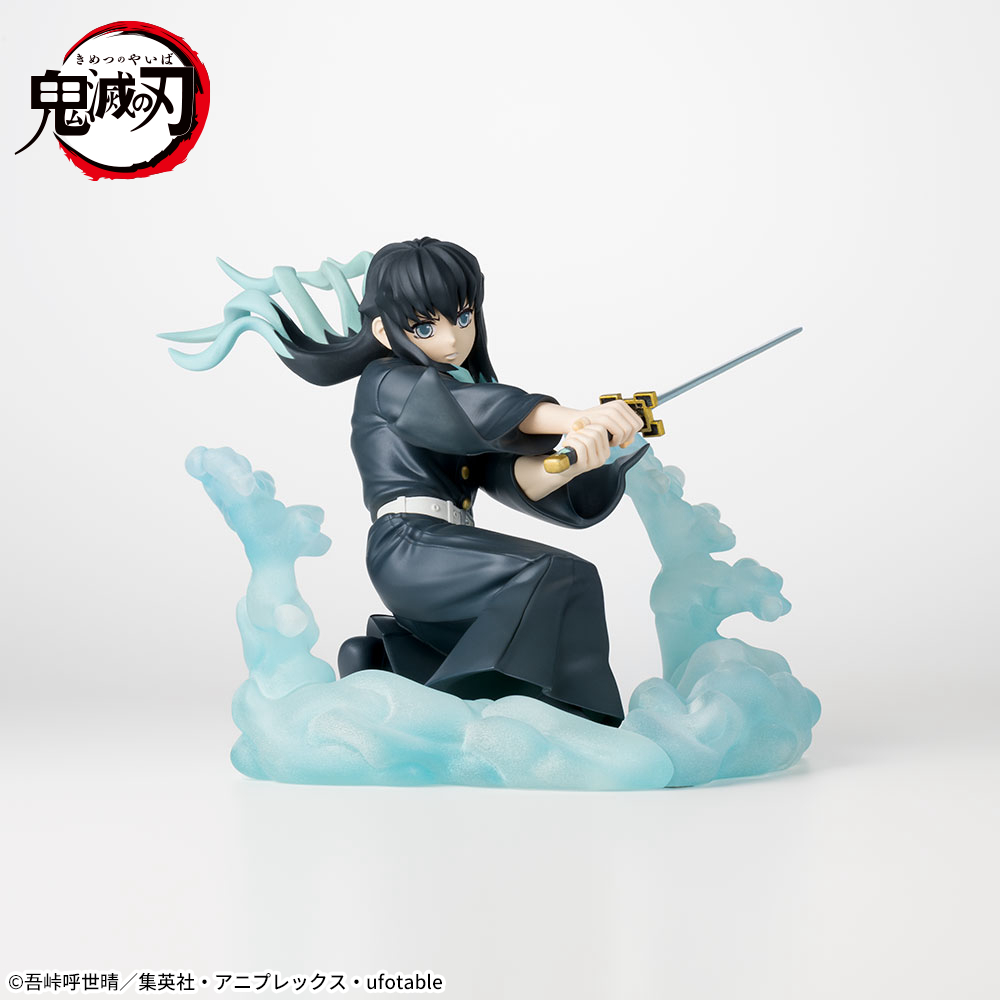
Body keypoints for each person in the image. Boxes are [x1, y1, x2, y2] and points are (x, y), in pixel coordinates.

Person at [166, 238, 646, 725]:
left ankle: (391, 666)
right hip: (410, 546)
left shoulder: (459, 395)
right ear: (383, 329)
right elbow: (473, 410)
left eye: (463, 317)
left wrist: (578, 460)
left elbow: (508, 476)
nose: (453, 340)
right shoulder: (388, 381)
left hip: (445, 548)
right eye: (425, 327)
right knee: (562, 574)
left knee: (542, 589)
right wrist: (577, 417)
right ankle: (548, 722)